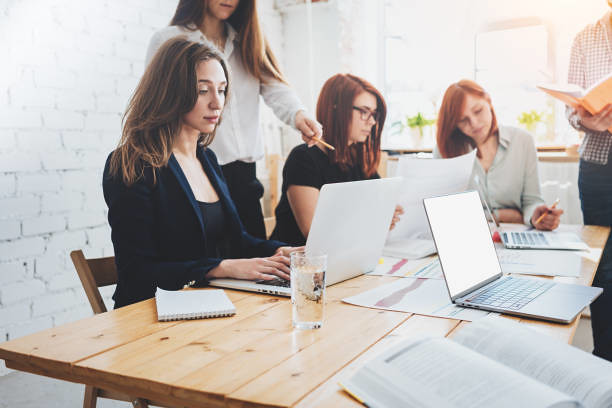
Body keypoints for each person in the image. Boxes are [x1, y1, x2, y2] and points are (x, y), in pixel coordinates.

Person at [103, 38, 299, 308]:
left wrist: (279, 251)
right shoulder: (133, 164)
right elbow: (138, 271)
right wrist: (220, 268)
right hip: (152, 316)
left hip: (210, 307)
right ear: (170, 91)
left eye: (222, 90)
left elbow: (237, 240)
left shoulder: (207, 158)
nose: (217, 103)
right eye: (203, 90)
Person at [144, 0, 321, 239]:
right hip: (196, 170)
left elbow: (275, 87)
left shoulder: (249, 39)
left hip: (244, 178)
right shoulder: (170, 40)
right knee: (211, 259)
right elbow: (155, 104)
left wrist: (299, 115)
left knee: (254, 260)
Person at [270, 73, 403, 246]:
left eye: (374, 114)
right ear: (337, 109)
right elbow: (314, 232)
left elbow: (376, 209)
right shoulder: (303, 159)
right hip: (297, 265)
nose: (372, 122)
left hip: (342, 257)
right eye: (364, 112)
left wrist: (386, 215)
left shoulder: (357, 159)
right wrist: (374, 217)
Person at [434, 79, 562, 230]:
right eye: (463, 120)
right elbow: (445, 213)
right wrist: (499, 216)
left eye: (478, 111)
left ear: (488, 100)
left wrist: (536, 216)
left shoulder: (522, 141)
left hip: (517, 236)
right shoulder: (445, 151)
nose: (474, 123)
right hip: (467, 233)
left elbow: (531, 201)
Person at [567, 3, 612, 361]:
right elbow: (572, 107)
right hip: (598, 167)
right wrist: (586, 120)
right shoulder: (585, 38)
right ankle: (605, 359)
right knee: (603, 269)